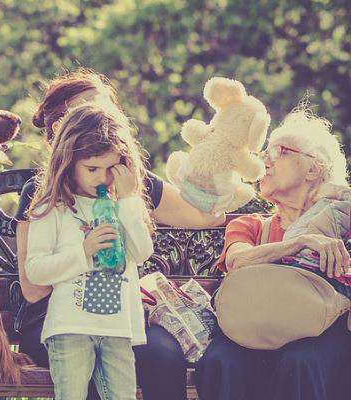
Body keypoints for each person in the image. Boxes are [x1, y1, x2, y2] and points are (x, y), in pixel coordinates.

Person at [16, 69, 225, 400]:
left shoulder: (130, 181)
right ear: (63, 129)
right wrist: (85, 251)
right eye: (88, 112)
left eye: (107, 111)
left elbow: (205, 217)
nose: (102, 120)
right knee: (86, 365)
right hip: (57, 317)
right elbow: (33, 287)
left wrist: (218, 178)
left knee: (163, 354)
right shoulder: (43, 193)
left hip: (118, 314)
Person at [195, 107, 351, 400]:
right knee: (220, 361)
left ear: (313, 169)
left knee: (301, 362)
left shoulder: (344, 226)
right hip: (250, 327)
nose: (265, 159)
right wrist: (300, 242)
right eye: (265, 152)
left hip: (319, 332)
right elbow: (238, 261)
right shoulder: (251, 225)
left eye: (280, 151)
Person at [24, 103, 154, 399]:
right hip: (70, 327)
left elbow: (142, 252)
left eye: (111, 168)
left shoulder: (123, 205)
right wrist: (84, 252)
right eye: (91, 168)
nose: (101, 177)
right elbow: (36, 269)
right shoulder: (52, 207)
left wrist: (130, 199)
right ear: (68, 162)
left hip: (118, 328)